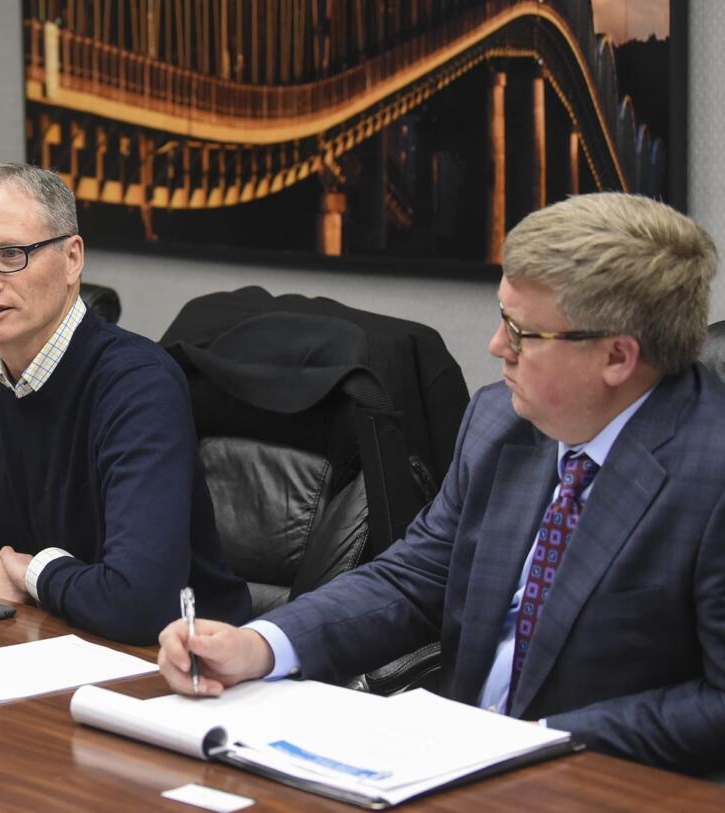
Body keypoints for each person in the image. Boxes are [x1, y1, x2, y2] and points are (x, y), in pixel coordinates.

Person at [158, 192, 725, 774]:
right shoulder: (499, 422)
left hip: (595, 781)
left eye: (522, 332)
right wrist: (260, 645)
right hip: (439, 767)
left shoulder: (710, 477)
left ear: (617, 357)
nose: (496, 347)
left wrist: (540, 739)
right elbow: (416, 577)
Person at [0, 162, 251, 645]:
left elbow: (140, 604)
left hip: (191, 660)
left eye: (11, 254)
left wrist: (35, 572)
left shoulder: (139, 383)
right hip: (52, 634)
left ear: (73, 259)